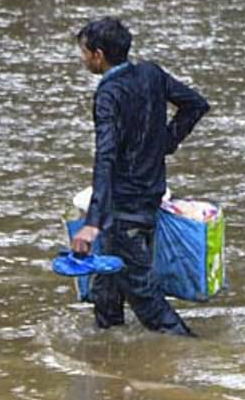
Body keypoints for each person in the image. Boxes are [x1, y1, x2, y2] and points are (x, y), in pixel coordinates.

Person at [70, 17, 209, 336]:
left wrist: (92, 222)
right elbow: (195, 105)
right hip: (149, 197)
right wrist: (166, 140)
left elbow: (105, 156)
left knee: (147, 300)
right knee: (105, 291)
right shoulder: (151, 73)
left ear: (99, 56)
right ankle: (110, 362)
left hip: (123, 212)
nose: (82, 59)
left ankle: (194, 352)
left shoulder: (109, 93)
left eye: (84, 52)